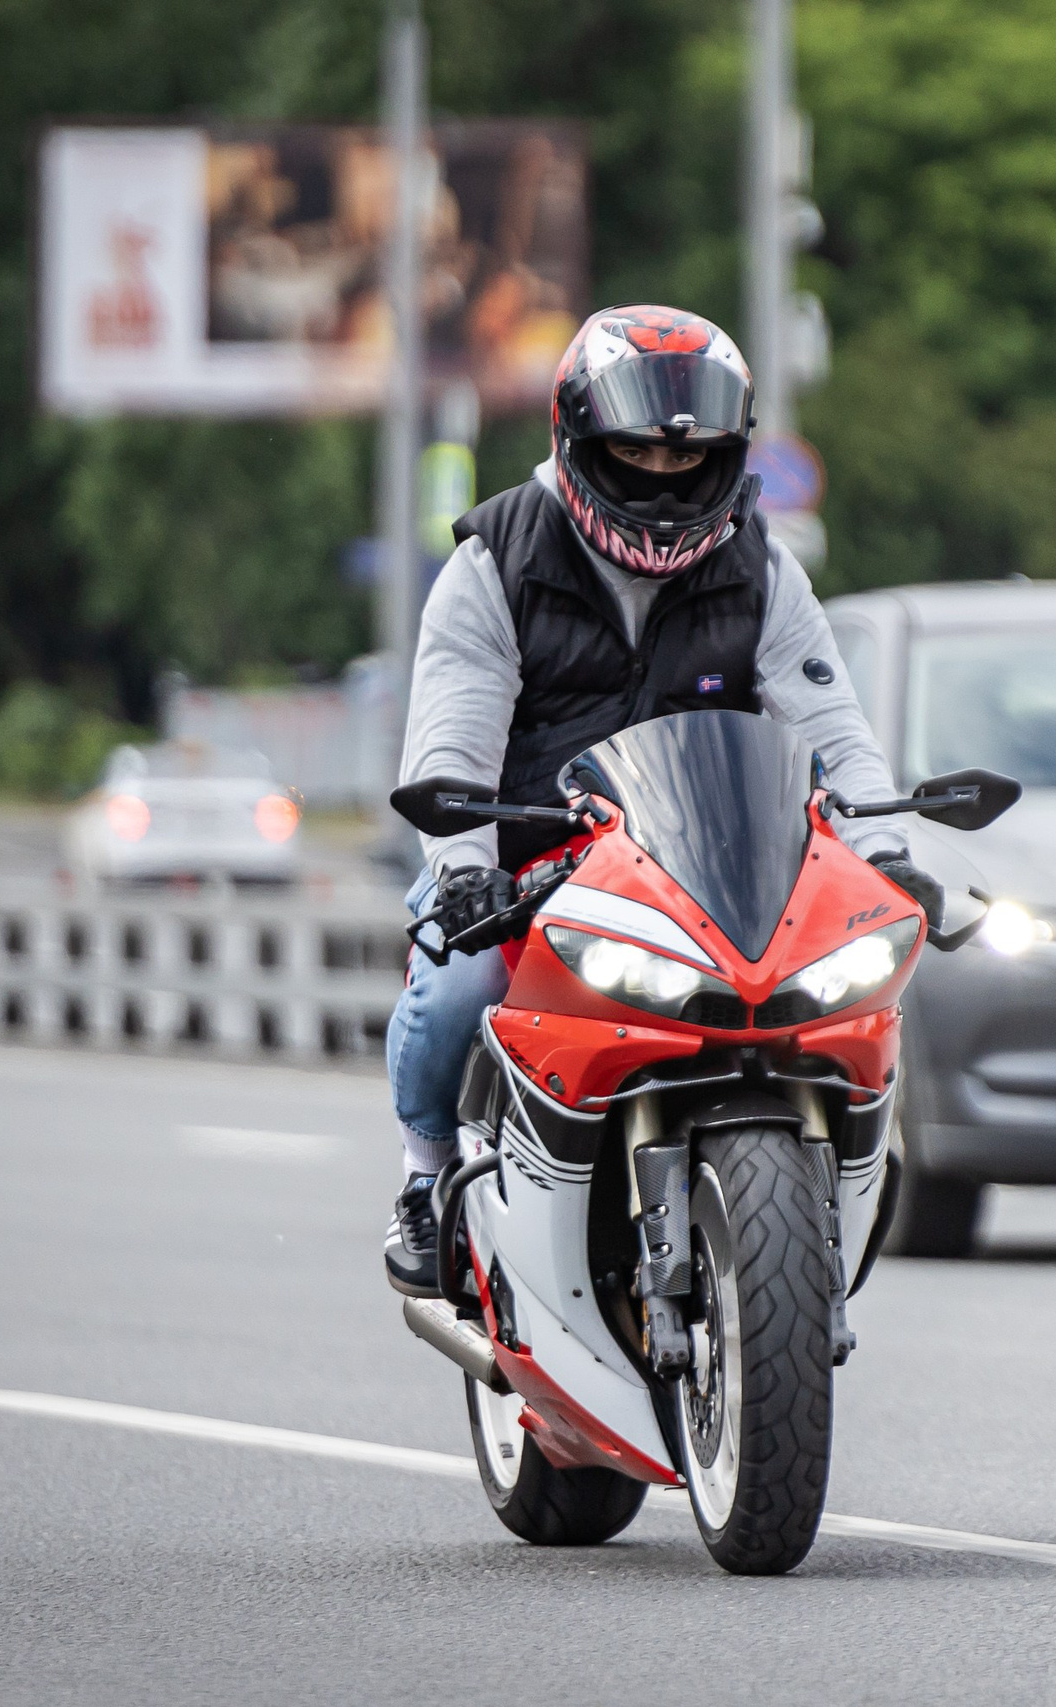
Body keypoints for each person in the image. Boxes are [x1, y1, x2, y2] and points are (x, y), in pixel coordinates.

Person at [382, 304, 940, 1296]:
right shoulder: (492, 564)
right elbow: (453, 744)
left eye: (689, 459)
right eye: (635, 452)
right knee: (459, 983)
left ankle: (837, 1171)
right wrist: (465, 874)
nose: (662, 478)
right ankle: (427, 1179)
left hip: (708, 869)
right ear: (578, 439)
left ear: (728, 454)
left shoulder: (763, 567)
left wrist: (888, 848)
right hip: (527, 866)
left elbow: (832, 726)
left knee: (841, 990)